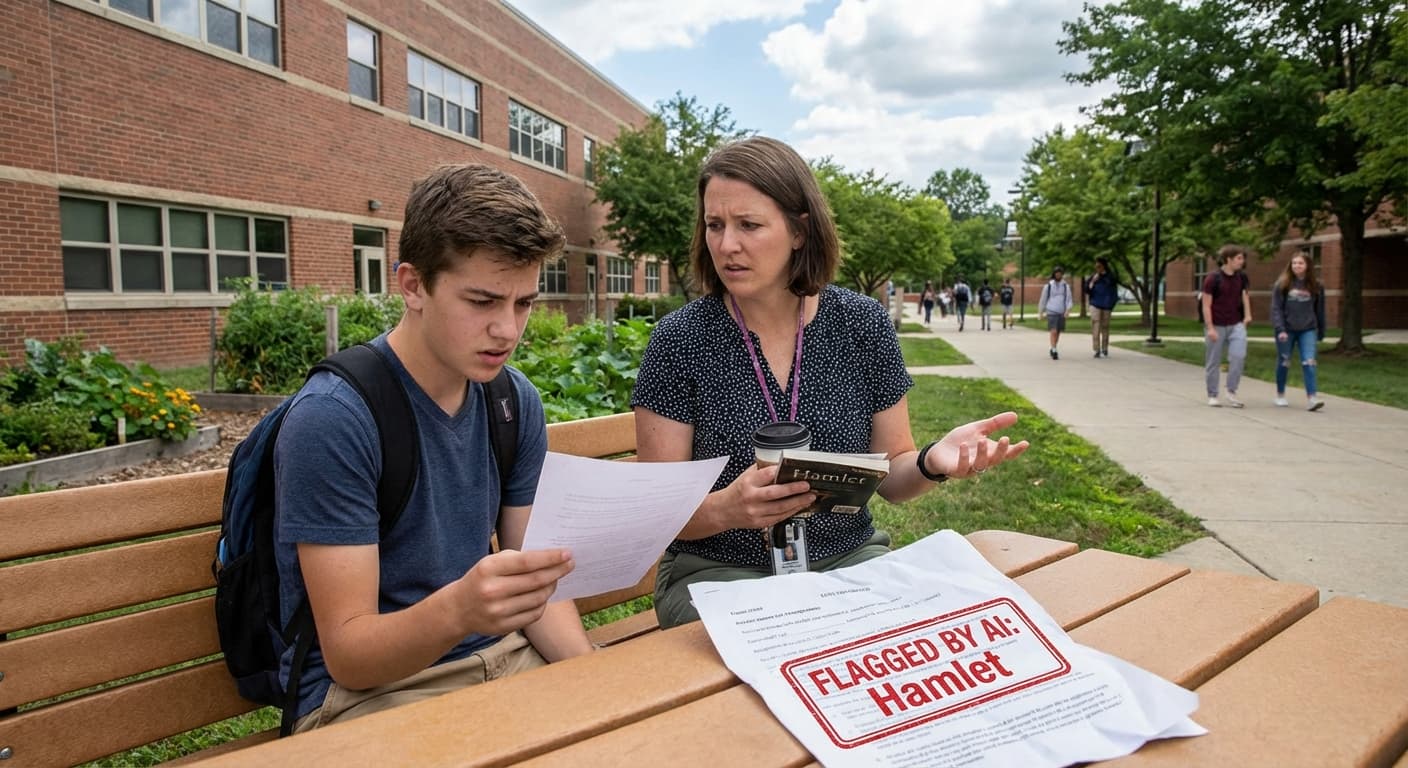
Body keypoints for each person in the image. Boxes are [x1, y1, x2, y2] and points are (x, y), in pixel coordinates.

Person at [630, 137, 1030, 629]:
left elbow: (895, 476)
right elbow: (654, 514)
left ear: (800, 231)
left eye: (748, 225)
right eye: (715, 225)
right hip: (719, 573)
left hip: (846, 560)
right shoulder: (681, 339)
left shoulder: (861, 324)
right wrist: (727, 509)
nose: (726, 244)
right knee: (785, 645)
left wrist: (930, 462)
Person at [273, 164, 593, 732]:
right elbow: (349, 654)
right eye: (483, 301)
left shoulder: (512, 401)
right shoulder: (335, 418)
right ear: (413, 285)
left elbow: (538, 588)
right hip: (370, 696)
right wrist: (459, 610)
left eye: (523, 304)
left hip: (502, 659)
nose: (507, 330)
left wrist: (599, 690)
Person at [1270, 250, 1326, 411]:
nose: (1297, 266)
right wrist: (1280, 328)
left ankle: (1312, 398)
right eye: (1294, 263)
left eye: (1300, 263)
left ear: (1307, 265)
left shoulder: (1316, 286)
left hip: (1307, 329)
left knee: (1309, 361)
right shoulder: (1282, 284)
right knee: (1284, 361)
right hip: (1286, 329)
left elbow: (1319, 309)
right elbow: (1276, 309)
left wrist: (1321, 330)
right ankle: (1280, 394)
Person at [1202, 244, 1252, 408]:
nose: (1241, 261)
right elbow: (1206, 304)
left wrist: (1247, 316)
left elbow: (1245, 296)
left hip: (1236, 323)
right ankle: (1213, 394)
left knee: (1238, 356)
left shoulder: (1242, 277)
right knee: (1213, 361)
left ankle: (1231, 391)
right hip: (1216, 324)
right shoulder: (1213, 279)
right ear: (1228, 259)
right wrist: (1210, 327)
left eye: (1242, 258)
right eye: (1238, 258)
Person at [1085, 258, 1119, 357]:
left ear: (1104, 266)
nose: (1097, 268)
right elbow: (1087, 290)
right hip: (1095, 304)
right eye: (1096, 266)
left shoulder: (1110, 278)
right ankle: (1097, 350)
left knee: (1105, 327)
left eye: (1099, 266)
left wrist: (1111, 304)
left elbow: (1114, 293)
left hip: (1107, 305)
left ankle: (1105, 348)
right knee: (1096, 325)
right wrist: (1092, 282)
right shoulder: (1093, 277)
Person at [1038, 267, 1073, 360]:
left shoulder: (1066, 286)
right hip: (1051, 311)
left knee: (1058, 332)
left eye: (1060, 273)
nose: (1058, 275)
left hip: (1061, 312)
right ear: (1054, 274)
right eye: (1056, 273)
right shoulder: (1048, 286)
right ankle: (1054, 350)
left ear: (1062, 274)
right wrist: (1040, 312)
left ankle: (1053, 347)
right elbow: (1043, 299)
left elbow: (1069, 300)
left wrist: (1068, 311)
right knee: (1053, 331)